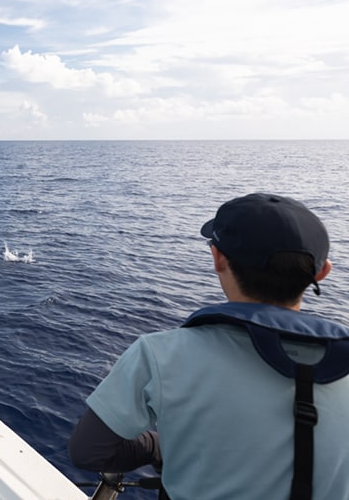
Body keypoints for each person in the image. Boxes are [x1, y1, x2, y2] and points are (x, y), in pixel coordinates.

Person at [68, 193, 349, 500]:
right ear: (323, 272)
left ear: (218, 259)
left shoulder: (159, 355)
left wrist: (155, 446)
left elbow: (88, 451)